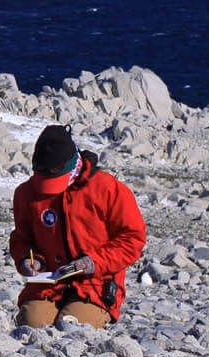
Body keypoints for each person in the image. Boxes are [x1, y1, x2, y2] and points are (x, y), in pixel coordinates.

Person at [8, 125, 145, 328]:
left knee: (72, 327)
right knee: (31, 323)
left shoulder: (108, 189)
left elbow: (133, 239)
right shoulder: (26, 193)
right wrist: (29, 260)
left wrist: (95, 262)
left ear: (72, 167)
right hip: (48, 285)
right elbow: (22, 237)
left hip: (96, 284)